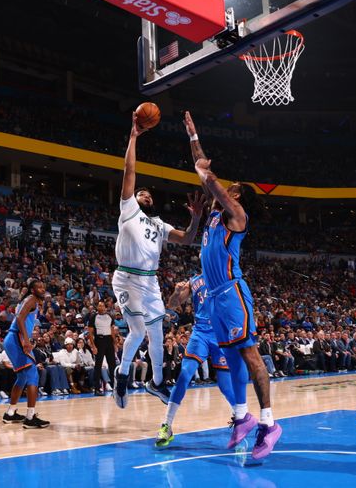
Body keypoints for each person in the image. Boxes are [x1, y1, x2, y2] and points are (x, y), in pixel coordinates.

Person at [184, 111, 281, 459]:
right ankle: (242, 417)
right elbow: (204, 171)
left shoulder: (238, 217)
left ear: (237, 197)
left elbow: (210, 180)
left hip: (231, 294)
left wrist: (206, 174)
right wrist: (193, 135)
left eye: (233, 190)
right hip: (213, 298)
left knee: (250, 354)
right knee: (231, 357)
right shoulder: (213, 213)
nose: (227, 191)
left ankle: (269, 424)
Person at [112, 113, 204, 409]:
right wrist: (133, 137)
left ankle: (156, 381)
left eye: (148, 193)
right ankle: (122, 374)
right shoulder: (128, 210)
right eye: (141, 192)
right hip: (126, 277)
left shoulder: (160, 225)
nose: (145, 194)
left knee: (157, 332)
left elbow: (188, 239)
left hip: (150, 281)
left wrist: (197, 218)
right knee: (138, 331)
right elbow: (129, 172)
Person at [155, 277, 239, 448]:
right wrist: (177, 292)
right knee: (184, 375)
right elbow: (172, 304)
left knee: (225, 385)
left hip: (221, 334)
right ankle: (167, 425)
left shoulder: (225, 275)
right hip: (200, 333)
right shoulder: (195, 281)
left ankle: (240, 416)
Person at [2, 279, 50, 428]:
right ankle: (30, 417)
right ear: (32, 290)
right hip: (16, 337)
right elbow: (19, 318)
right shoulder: (32, 300)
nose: (42, 289)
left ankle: (10, 413)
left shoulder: (31, 301)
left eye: (43, 286)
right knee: (33, 374)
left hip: (13, 338)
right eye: (38, 287)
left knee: (22, 377)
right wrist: (26, 341)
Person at [88, 301, 116, 396]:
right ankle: (97, 388)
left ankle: (115, 387)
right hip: (99, 340)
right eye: (99, 305)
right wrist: (93, 346)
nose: (101, 307)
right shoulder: (93, 317)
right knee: (98, 365)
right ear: (97, 307)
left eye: (102, 305)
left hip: (109, 341)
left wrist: (114, 343)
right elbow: (90, 333)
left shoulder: (110, 317)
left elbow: (112, 330)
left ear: (105, 307)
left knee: (112, 364)